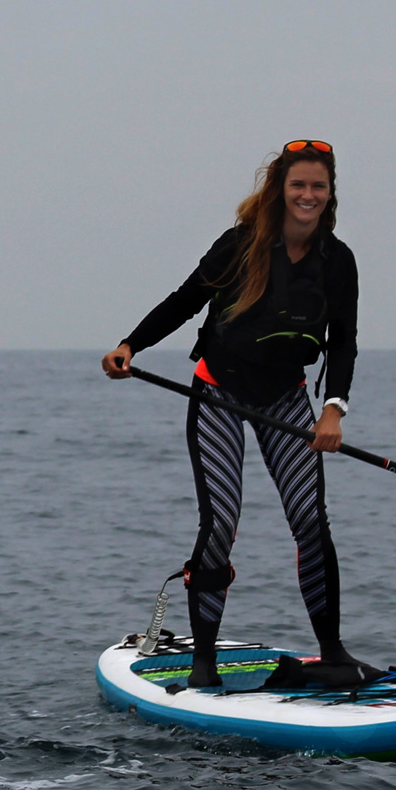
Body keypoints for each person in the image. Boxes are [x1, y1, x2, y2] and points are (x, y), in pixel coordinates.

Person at [100, 140, 374, 690]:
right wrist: (131, 345)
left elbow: (343, 342)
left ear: (330, 194)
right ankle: (203, 662)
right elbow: (185, 300)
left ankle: (332, 652)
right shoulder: (239, 246)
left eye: (318, 186)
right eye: (298, 185)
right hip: (219, 393)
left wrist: (333, 410)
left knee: (310, 521)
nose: (308, 195)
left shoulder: (337, 261)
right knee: (221, 522)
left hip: (285, 397)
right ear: (280, 189)